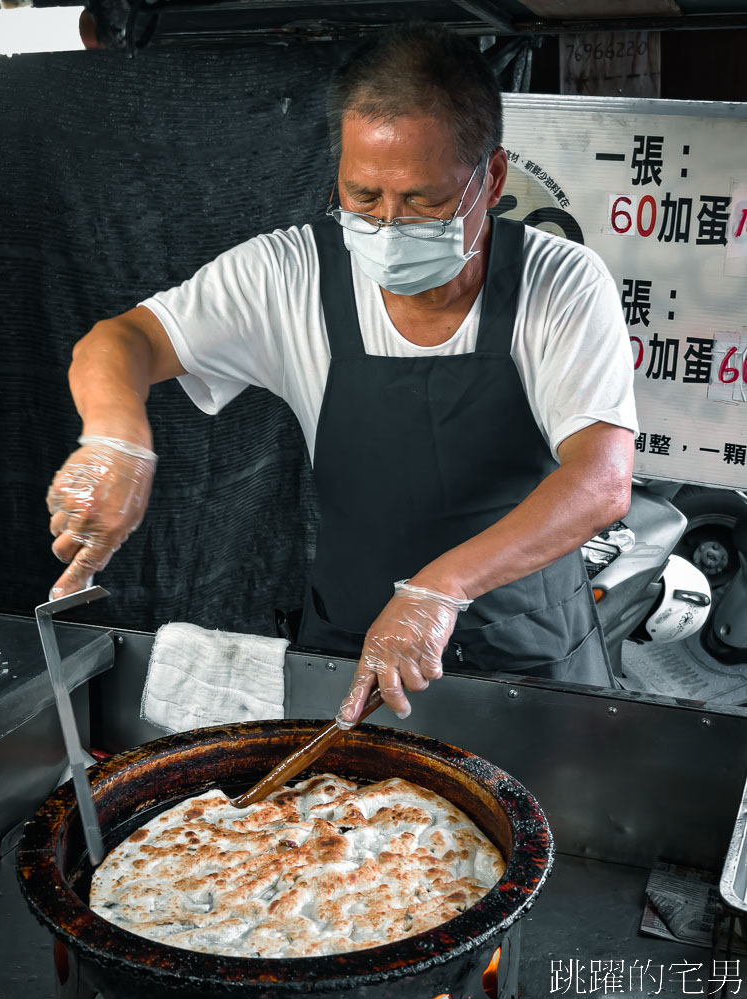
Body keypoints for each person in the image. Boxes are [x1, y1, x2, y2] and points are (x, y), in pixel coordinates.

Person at [46, 23, 637, 727]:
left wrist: (438, 591)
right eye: (364, 197)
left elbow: (601, 480)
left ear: (493, 177)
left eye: (422, 200)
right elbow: (122, 340)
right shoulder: (289, 272)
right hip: (354, 644)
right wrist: (117, 440)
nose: (388, 226)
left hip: (529, 652)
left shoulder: (559, 279)